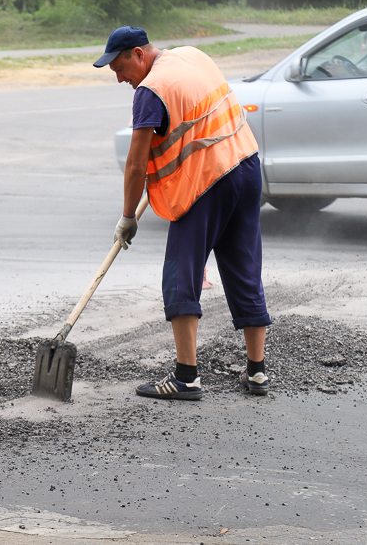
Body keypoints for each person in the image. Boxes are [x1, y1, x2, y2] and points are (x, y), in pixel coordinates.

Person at [94, 26, 270, 400]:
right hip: (247, 165)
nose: (119, 77)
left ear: (139, 54)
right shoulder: (192, 55)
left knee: (180, 272)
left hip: (207, 182)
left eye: (120, 67)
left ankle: (186, 377)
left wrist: (128, 216)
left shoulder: (151, 90)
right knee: (244, 267)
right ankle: (256, 373)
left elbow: (136, 164)